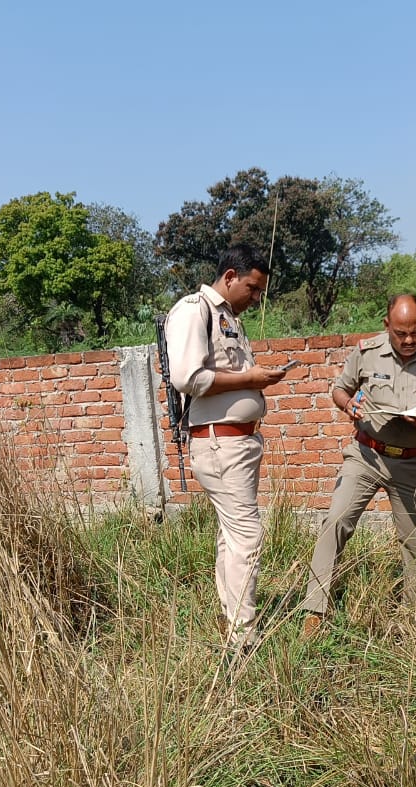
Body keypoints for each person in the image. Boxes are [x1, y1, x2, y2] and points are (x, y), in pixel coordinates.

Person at [301, 294, 416, 633]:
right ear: (387, 326)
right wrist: (347, 406)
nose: (409, 340)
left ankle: (414, 616)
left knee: (414, 540)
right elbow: (339, 389)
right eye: (401, 333)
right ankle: (316, 609)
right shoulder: (366, 352)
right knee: (335, 521)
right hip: (366, 455)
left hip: (412, 462)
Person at [164, 245, 286, 649]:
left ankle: (232, 618)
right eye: (252, 288)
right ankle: (242, 639)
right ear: (230, 276)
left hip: (238, 443)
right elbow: (188, 377)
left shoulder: (228, 317)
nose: (256, 298)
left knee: (233, 535)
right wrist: (252, 378)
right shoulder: (193, 309)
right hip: (220, 444)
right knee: (248, 536)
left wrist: (254, 379)